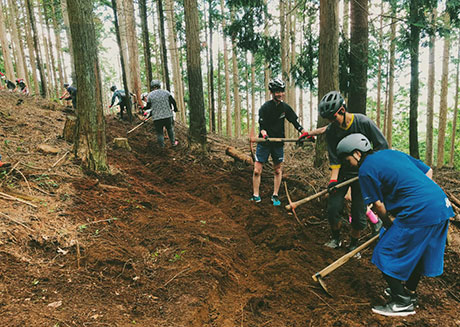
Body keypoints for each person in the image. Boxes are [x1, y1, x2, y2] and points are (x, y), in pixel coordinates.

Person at [336, 133, 453, 317]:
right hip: (441, 205)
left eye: (346, 159)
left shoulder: (365, 169)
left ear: (357, 153)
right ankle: (409, 294)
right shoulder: (392, 153)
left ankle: (401, 302)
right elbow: (427, 171)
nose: (347, 163)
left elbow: (378, 205)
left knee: (383, 252)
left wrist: (389, 224)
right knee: (419, 253)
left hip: (420, 211)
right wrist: (420, 199)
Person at [319, 90, 388, 250]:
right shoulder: (331, 130)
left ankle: (353, 245)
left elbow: (381, 146)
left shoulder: (363, 122)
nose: (331, 122)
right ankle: (336, 239)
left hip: (363, 175)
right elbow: (334, 158)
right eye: (328, 119)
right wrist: (333, 181)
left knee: (358, 214)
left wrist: (369, 168)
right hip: (343, 174)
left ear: (342, 111)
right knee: (333, 209)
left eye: (333, 117)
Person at [251, 78, 315, 206]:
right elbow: (262, 125)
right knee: (257, 170)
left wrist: (304, 132)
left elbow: (295, 122)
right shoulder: (265, 108)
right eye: (276, 92)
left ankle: (275, 195)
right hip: (264, 142)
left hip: (278, 142)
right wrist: (263, 132)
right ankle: (255, 195)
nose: (279, 94)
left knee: (278, 170)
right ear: (271, 92)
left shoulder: (285, 108)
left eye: (281, 91)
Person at [144, 80, 178, 148]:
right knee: (170, 129)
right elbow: (173, 101)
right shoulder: (166, 92)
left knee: (160, 133)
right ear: (159, 85)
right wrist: (175, 109)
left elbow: (148, 106)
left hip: (157, 117)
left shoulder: (150, 95)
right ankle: (173, 143)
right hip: (167, 115)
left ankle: (162, 147)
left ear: (152, 87)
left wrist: (144, 108)